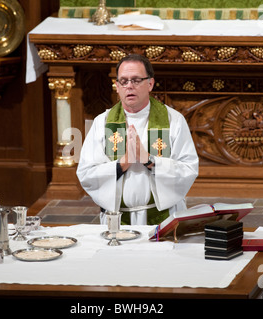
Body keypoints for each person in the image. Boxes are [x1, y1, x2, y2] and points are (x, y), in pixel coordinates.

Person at [77, 54, 199, 225]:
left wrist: (150, 161)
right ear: (117, 86)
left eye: (136, 80)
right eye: (124, 81)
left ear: (150, 84)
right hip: (118, 220)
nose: (129, 86)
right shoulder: (102, 122)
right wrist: (122, 164)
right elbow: (86, 174)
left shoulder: (173, 120)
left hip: (163, 219)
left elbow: (189, 170)